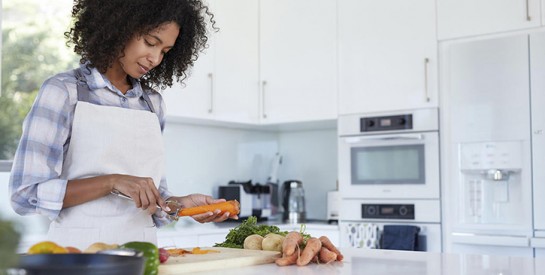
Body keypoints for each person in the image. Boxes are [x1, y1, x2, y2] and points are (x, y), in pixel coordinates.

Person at [9, 0, 236, 250]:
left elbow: (152, 198)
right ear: (121, 27)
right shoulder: (64, 91)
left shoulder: (152, 104)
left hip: (143, 253)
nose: (155, 58)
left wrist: (181, 205)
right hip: (79, 253)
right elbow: (26, 193)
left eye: (165, 52)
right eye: (151, 42)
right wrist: (111, 181)